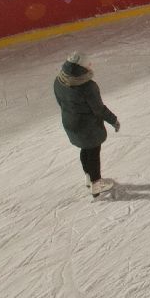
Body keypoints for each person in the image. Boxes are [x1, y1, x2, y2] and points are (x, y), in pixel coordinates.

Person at [53, 52, 120, 198]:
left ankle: (88, 177)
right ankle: (96, 184)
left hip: (70, 123)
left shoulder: (58, 81)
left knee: (85, 149)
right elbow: (99, 109)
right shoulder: (88, 87)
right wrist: (113, 120)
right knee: (94, 153)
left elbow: (61, 103)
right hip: (89, 127)